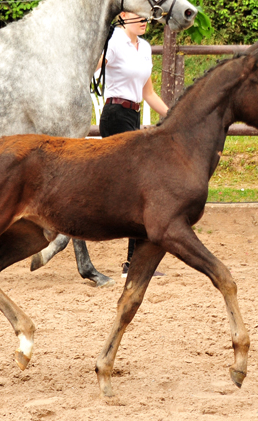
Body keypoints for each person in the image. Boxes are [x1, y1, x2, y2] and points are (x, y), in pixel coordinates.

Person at [98, 12, 169, 278]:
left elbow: (148, 93)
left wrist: (173, 117)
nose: (144, 20)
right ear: (123, 15)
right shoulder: (114, 42)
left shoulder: (145, 47)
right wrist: (100, 42)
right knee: (140, 187)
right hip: (115, 115)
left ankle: (133, 263)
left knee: (139, 189)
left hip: (133, 115)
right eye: (137, 16)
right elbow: (93, 68)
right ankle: (134, 264)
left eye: (147, 17)